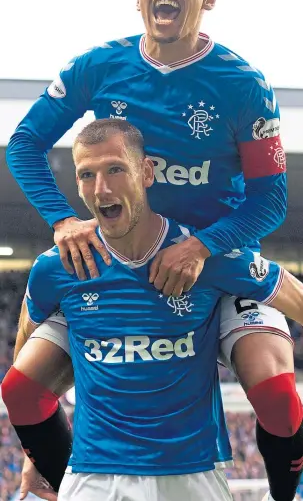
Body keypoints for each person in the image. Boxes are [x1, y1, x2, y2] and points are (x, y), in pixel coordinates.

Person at [5, 0, 297, 501]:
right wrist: (64, 220)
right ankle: (59, 476)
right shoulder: (98, 67)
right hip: (118, 260)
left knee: (278, 395)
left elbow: (270, 203)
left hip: (215, 261)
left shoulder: (244, 85)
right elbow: (24, 144)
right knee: (20, 390)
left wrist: (203, 247)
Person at [4, 119, 303, 501]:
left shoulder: (201, 255)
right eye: (86, 174)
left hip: (192, 477)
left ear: (146, 172)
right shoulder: (58, 266)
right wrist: (31, 449)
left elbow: (291, 294)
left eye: (115, 169)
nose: (101, 188)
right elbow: (29, 331)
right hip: (93, 478)